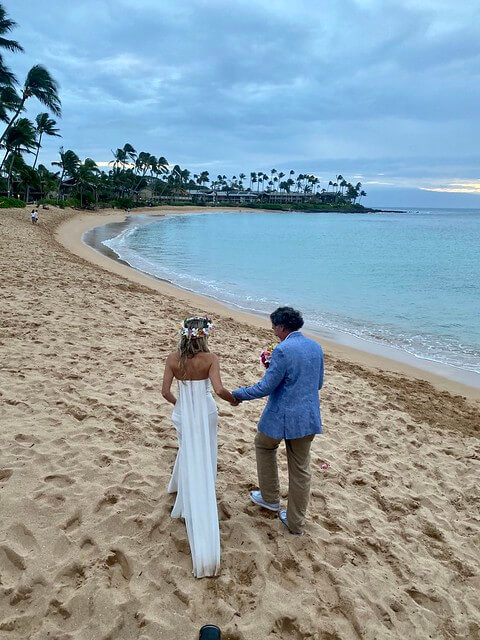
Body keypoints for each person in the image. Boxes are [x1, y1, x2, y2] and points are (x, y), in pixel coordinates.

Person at [232, 307, 324, 536]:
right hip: (308, 417)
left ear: (282, 327)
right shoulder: (316, 347)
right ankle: (295, 523)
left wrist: (238, 394)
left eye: (274, 326)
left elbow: (266, 387)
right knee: (301, 469)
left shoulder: (282, 350)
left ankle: (271, 497)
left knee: (264, 445)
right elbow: (319, 383)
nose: (272, 330)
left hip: (282, 415)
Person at [162, 317, 237, 577]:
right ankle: (196, 495)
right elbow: (218, 390)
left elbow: (164, 392)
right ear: (204, 336)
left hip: (184, 414)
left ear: (184, 335)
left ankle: (182, 494)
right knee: (204, 454)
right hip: (205, 413)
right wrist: (234, 400)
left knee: (187, 450)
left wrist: (180, 405)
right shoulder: (211, 359)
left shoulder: (173, 358)